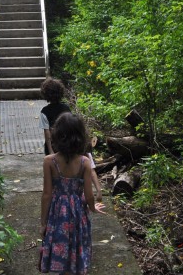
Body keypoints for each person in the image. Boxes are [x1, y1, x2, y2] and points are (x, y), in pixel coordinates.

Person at [40, 112, 103, 274]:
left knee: (60, 243)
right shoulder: (85, 162)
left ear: (57, 135)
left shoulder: (49, 161)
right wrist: (93, 207)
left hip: (57, 212)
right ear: (81, 137)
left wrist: (43, 222)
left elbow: (46, 194)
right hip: (78, 212)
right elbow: (89, 194)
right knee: (77, 242)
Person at [39, 77, 71, 155]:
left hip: (53, 146)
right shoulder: (66, 108)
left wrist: (50, 151)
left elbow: (47, 134)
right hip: (66, 144)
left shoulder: (44, 111)